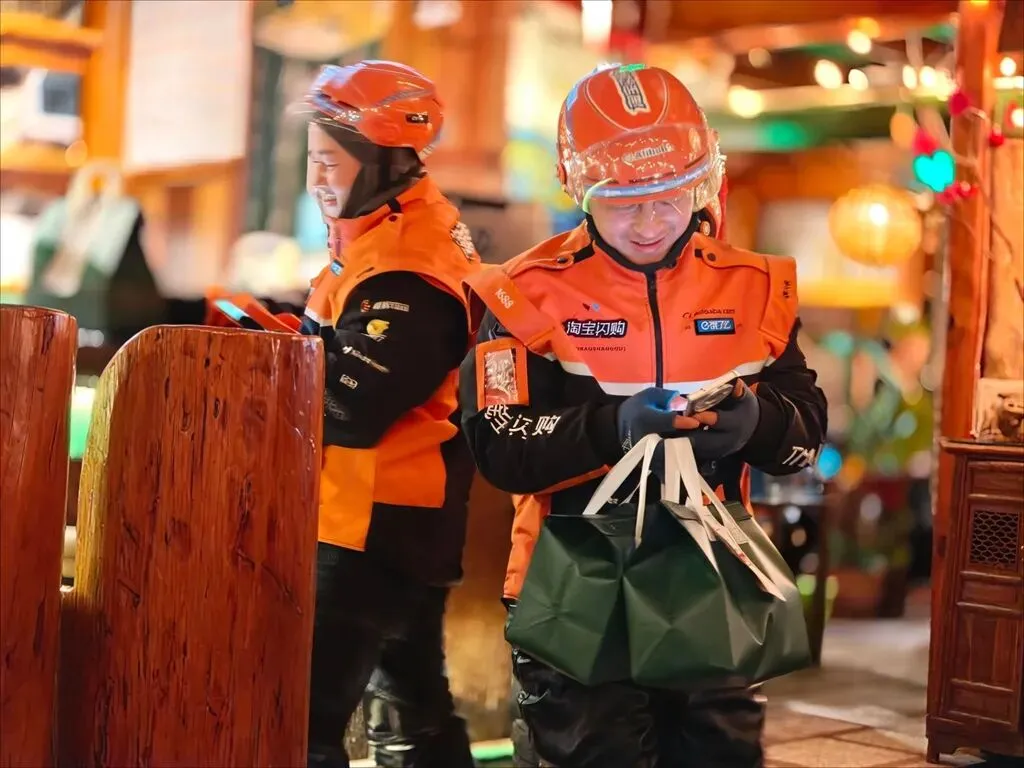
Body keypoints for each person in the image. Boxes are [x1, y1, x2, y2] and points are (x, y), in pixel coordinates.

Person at [458, 64, 828, 768]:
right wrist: (614, 427)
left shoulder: (755, 289)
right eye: (625, 201)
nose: (652, 221)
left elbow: (806, 438)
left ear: (702, 182)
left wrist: (755, 424)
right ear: (578, 190)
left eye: (670, 197)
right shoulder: (523, 295)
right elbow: (499, 448)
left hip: (713, 576)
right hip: (569, 583)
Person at [297, 60, 480, 768]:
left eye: (329, 162)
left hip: (371, 524)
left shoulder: (410, 260)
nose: (317, 179)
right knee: (411, 714)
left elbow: (353, 403)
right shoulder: (376, 238)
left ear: (384, 161)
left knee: (305, 727)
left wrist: (288, 366)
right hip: (386, 518)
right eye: (313, 160)